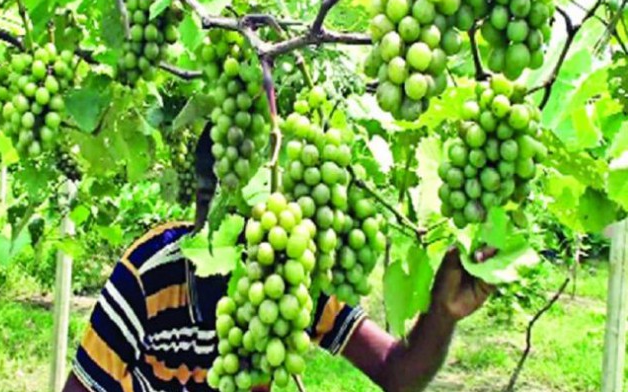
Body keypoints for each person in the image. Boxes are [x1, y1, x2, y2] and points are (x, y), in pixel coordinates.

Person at [63, 127, 494, 392]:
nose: (236, 235)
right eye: (218, 208)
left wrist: (442, 314)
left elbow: (396, 373)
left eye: (250, 217)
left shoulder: (288, 271)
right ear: (198, 200)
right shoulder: (147, 277)